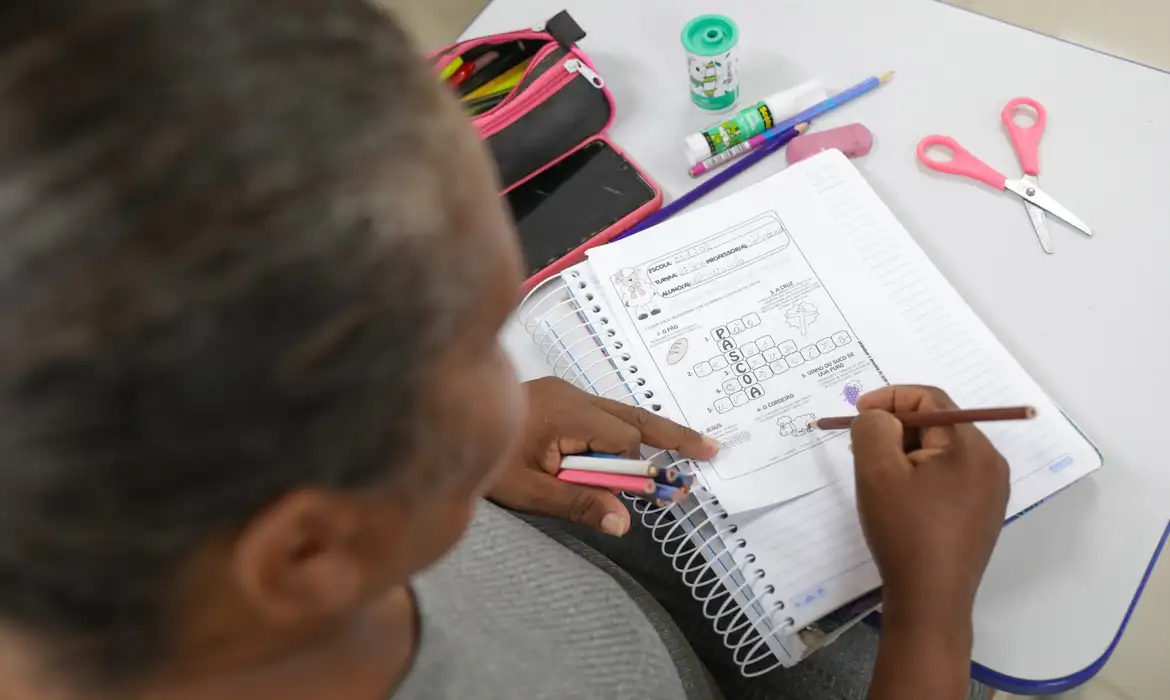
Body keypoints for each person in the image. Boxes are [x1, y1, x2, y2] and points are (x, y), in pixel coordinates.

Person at [0, 2, 1010, 700]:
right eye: (485, 346)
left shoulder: (163, 539)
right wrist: (932, 613)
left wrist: (460, 456)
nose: (521, 376)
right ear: (308, 548)